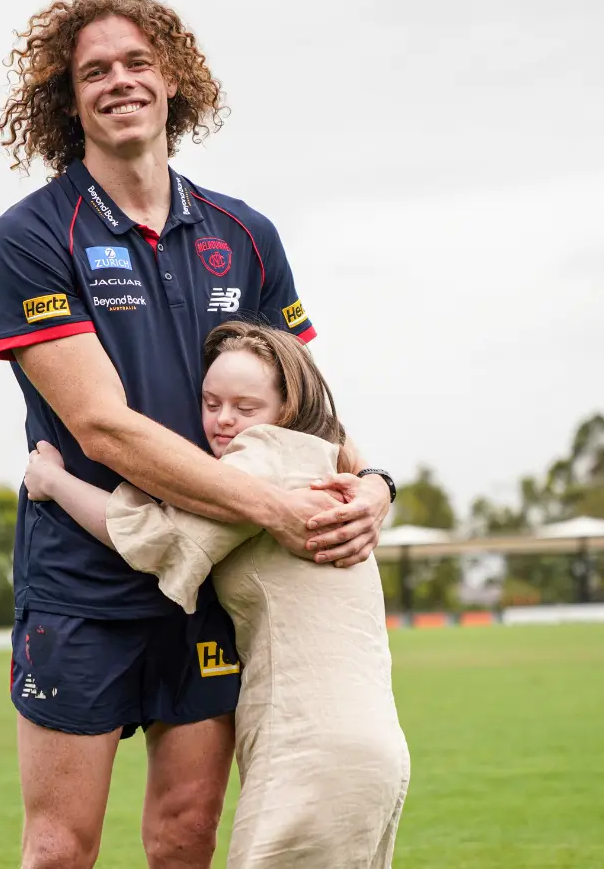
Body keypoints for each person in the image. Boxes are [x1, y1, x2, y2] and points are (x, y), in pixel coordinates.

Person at [0, 0, 397, 866]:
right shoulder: (28, 236)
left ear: (172, 80)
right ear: (69, 97)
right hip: (82, 583)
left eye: (136, 61)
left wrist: (370, 483)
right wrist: (275, 509)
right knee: (59, 848)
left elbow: (308, 406)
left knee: (184, 837)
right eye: (94, 70)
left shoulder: (244, 235)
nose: (118, 80)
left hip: (211, 583)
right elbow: (102, 429)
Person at [24, 320, 411, 868]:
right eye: (211, 402)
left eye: (245, 407)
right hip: (374, 750)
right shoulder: (320, 460)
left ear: (285, 408)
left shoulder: (262, 460)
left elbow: (154, 540)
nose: (224, 420)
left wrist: (54, 482)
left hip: (310, 747)